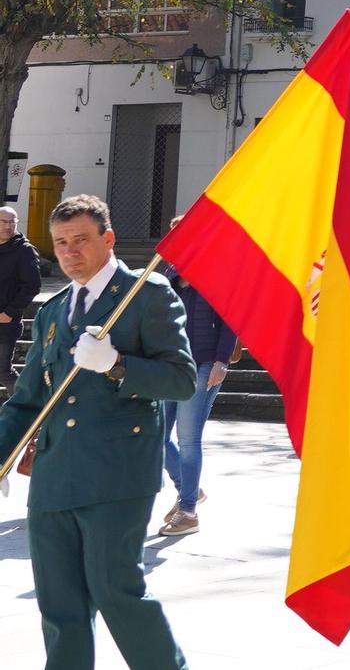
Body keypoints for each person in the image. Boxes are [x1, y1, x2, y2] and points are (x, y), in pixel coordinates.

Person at [0, 194, 195, 670]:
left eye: (81, 240)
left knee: (118, 592)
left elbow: (182, 379)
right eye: (62, 243)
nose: (70, 252)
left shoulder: (147, 295)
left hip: (117, 474)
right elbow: (29, 398)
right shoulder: (54, 311)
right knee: (59, 606)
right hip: (53, 475)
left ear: (108, 239)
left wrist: (117, 364)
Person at [159, 251, 235, 537]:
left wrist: (221, 362)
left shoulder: (215, 277)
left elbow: (230, 320)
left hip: (205, 364)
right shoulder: (169, 279)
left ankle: (189, 511)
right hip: (171, 364)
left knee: (188, 439)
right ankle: (189, 489)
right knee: (157, 436)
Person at [0, 203, 39, 392]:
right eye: (3, 222)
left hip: (6, 320)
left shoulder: (24, 250)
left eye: (12, 222)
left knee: (3, 371)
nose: (8, 226)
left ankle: (27, 405)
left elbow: (32, 286)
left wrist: (10, 312)